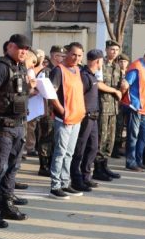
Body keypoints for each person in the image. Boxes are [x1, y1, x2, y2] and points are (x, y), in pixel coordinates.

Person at [0, 35, 32, 228]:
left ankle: (7, 203)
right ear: (10, 46)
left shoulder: (20, 67)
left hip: (19, 123)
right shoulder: (0, 66)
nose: (24, 52)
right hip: (4, 126)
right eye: (20, 48)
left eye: (26, 49)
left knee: (13, 167)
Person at [47, 43, 87, 197]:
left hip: (76, 118)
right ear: (67, 54)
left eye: (79, 55)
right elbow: (51, 94)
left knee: (69, 153)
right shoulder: (58, 71)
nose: (76, 58)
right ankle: (55, 186)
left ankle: (65, 182)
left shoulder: (77, 70)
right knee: (60, 153)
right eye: (74, 54)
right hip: (64, 119)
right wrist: (62, 110)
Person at [70, 49, 104, 193]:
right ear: (97, 61)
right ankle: (76, 178)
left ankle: (86, 175)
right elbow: (79, 96)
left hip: (94, 117)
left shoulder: (92, 75)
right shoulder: (84, 76)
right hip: (85, 116)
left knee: (93, 147)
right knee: (80, 148)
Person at [122, 49, 145, 172]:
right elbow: (125, 84)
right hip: (135, 107)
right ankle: (131, 162)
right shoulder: (136, 67)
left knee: (144, 135)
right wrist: (121, 98)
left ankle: (138, 160)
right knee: (133, 136)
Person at [94, 41, 124, 181]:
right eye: (112, 49)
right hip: (102, 106)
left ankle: (105, 166)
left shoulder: (117, 66)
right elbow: (99, 84)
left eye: (117, 50)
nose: (114, 52)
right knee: (102, 138)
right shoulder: (101, 65)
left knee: (110, 140)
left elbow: (121, 88)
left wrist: (123, 87)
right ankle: (97, 169)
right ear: (106, 50)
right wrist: (115, 91)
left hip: (113, 107)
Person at [35, 46, 64, 176]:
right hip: (47, 109)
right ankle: (44, 165)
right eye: (58, 55)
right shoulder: (47, 71)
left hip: (55, 109)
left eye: (63, 56)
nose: (61, 58)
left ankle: (51, 162)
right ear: (52, 55)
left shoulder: (60, 70)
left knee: (53, 137)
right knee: (46, 136)